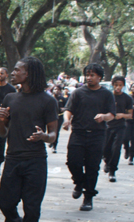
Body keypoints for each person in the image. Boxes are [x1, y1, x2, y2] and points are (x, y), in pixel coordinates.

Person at [0, 57, 58, 222]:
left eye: (17, 70)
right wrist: (2, 121)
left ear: (29, 73)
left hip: (36, 161)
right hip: (13, 158)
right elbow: (2, 133)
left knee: (32, 208)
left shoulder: (47, 101)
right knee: (5, 202)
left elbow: (53, 134)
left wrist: (44, 136)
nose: (13, 73)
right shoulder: (10, 98)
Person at [63, 63, 116, 211]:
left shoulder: (106, 94)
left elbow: (112, 115)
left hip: (97, 135)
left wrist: (103, 116)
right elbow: (68, 110)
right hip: (78, 133)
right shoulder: (78, 93)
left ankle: (88, 198)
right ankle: (79, 182)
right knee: (73, 162)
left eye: (92, 75)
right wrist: (67, 120)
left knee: (92, 167)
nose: (89, 78)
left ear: (99, 77)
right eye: (87, 74)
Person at [102, 76, 133, 182]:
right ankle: (107, 162)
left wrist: (122, 115)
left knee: (116, 149)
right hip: (108, 126)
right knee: (106, 148)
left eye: (120, 85)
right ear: (113, 85)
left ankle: (112, 171)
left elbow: (130, 115)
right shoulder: (108, 96)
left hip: (120, 127)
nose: (118, 87)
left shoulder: (127, 98)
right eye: (116, 85)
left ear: (123, 85)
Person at [49, 84, 68, 153]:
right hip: (50, 117)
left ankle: (54, 146)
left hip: (59, 117)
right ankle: (50, 140)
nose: (56, 91)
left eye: (58, 89)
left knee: (56, 131)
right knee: (50, 130)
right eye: (55, 89)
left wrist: (63, 109)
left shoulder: (62, 99)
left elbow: (67, 107)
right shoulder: (49, 98)